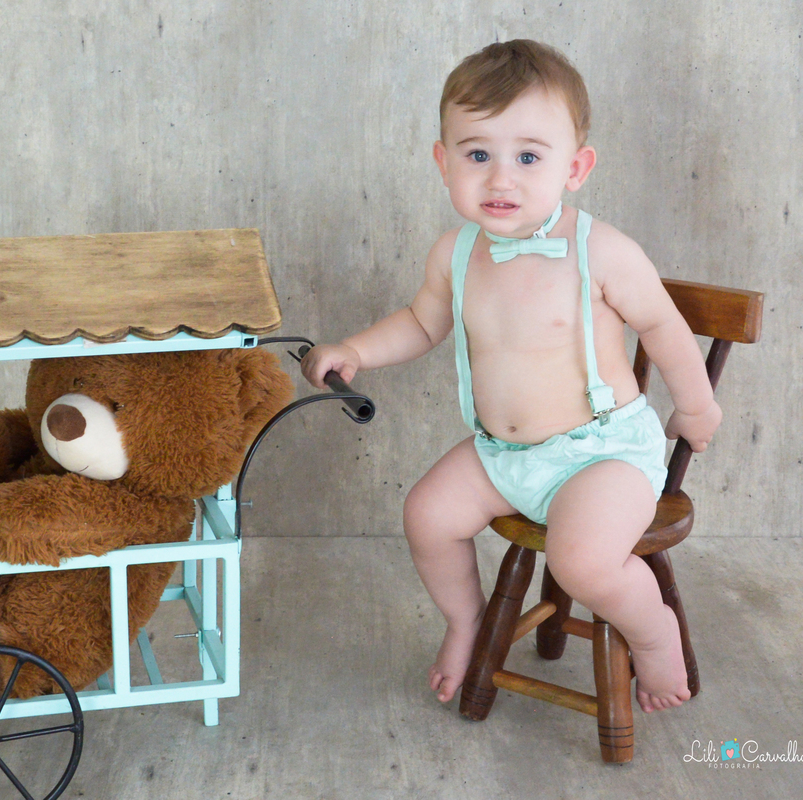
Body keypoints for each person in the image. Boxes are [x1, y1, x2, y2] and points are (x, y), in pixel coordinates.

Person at [300, 39, 720, 713]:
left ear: (575, 167)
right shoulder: (456, 252)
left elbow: (666, 329)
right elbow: (422, 322)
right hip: (502, 453)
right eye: (477, 154)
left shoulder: (602, 251)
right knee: (427, 515)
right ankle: (466, 621)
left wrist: (696, 407)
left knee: (581, 563)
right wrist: (357, 349)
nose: (501, 178)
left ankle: (653, 633)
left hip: (601, 452)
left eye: (528, 156)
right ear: (444, 163)